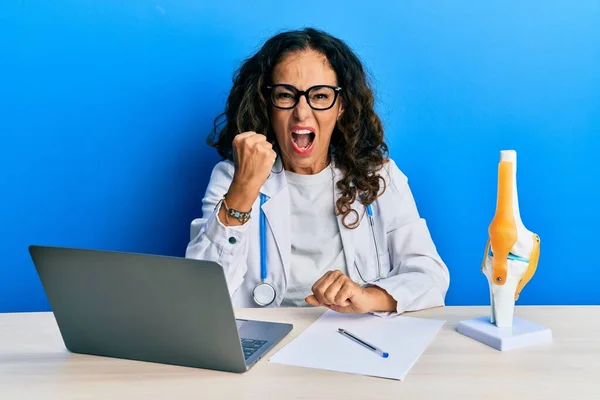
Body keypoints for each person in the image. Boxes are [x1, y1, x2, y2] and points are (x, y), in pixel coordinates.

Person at [185, 27, 449, 316]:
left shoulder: (379, 178)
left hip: (357, 340)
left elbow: (430, 276)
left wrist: (368, 296)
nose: (302, 112)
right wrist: (243, 189)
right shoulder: (230, 177)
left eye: (320, 96)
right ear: (266, 104)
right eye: (286, 95)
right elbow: (199, 296)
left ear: (341, 107)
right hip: (267, 344)